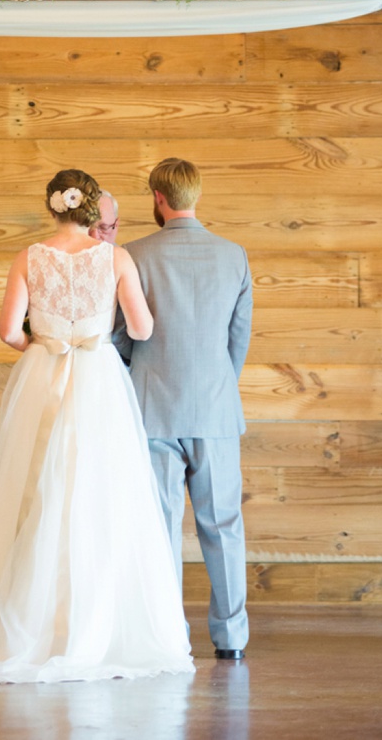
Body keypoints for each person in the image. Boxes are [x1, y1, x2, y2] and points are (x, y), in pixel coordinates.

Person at [0, 169, 194, 684]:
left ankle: (27, 621)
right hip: (99, 380)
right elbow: (141, 328)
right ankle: (99, 623)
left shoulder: (28, 258)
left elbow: (8, 331)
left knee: (32, 493)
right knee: (100, 494)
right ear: (93, 210)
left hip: (43, 377)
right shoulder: (116, 258)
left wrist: (46, 347)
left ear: (54, 208)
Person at [114, 158, 252, 661]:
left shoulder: (132, 255)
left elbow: (119, 336)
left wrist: (143, 370)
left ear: (157, 197)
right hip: (215, 409)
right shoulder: (234, 255)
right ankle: (231, 638)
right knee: (224, 526)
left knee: (161, 527)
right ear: (196, 194)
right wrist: (215, 385)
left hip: (154, 410)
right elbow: (238, 338)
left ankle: (169, 638)